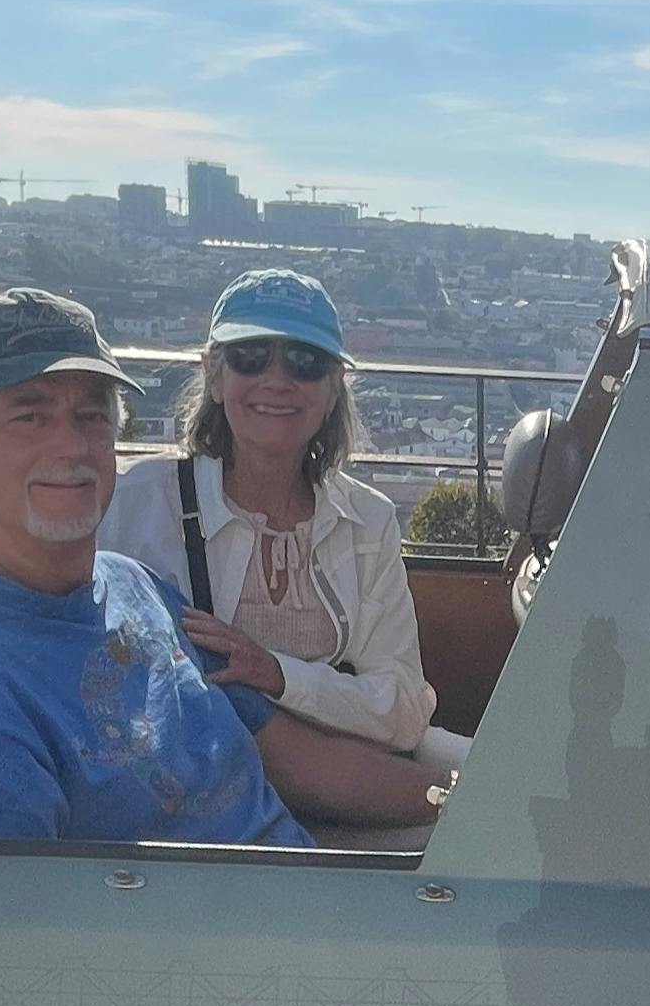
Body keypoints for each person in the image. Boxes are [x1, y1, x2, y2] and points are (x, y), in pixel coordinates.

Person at [0, 287, 315, 845]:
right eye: (30, 416)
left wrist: (432, 798)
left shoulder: (133, 583)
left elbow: (302, 761)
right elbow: (23, 927)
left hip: (313, 898)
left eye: (91, 416)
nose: (72, 446)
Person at [111, 267, 455, 768]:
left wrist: (275, 673)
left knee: (509, 791)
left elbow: (405, 709)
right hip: (192, 771)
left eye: (305, 362)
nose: (276, 380)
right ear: (214, 374)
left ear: (335, 386)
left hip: (339, 765)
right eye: (250, 357)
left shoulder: (369, 521)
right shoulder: (134, 503)